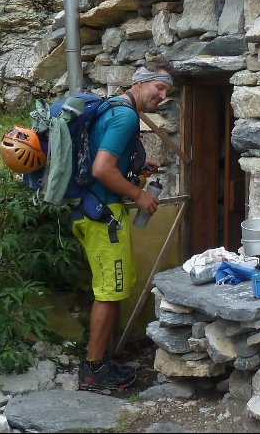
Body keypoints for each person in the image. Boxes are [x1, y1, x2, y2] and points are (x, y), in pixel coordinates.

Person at [75, 60, 173, 391]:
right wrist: (139, 195)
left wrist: (138, 163)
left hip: (95, 211)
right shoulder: (126, 115)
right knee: (109, 291)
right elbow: (103, 169)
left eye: (167, 92)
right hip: (103, 217)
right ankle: (93, 371)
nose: (162, 95)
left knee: (112, 289)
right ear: (141, 83)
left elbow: (104, 157)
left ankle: (99, 361)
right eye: (158, 87)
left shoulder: (113, 108)